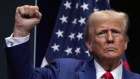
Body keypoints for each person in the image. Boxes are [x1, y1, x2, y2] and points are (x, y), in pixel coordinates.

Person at [5, 5, 140, 79]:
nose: (110, 39)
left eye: (116, 32)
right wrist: (21, 31)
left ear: (125, 42)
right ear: (89, 44)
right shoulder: (62, 71)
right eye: (102, 33)